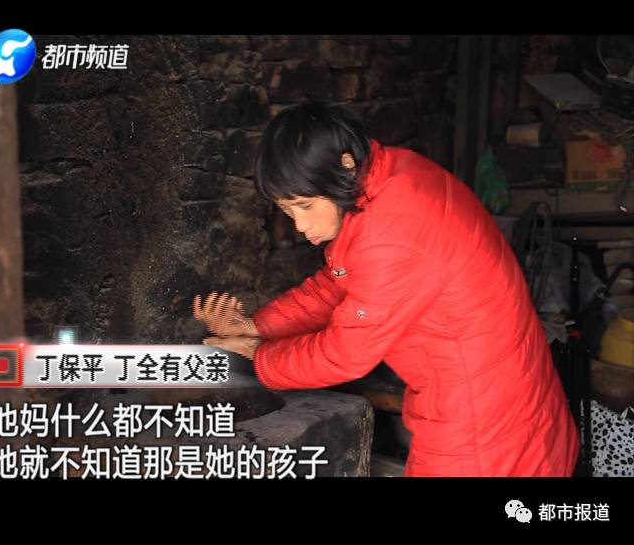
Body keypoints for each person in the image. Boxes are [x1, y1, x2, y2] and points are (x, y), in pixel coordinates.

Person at [193, 101, 579, 476]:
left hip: (481, 423)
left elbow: (345, 353)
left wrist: (257, 359)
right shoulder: (386, 175)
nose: (299, 225)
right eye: (286, 210)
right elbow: (336, 283)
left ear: (344, 166)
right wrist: (258, 326)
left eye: (306, 206)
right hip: (505, 389)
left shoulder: (389, 233)